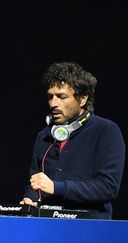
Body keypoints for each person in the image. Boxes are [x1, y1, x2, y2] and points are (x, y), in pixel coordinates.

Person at [20, 62, 125, 219]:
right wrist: (31, 199)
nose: (53, 103)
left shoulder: (106, 131)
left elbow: (108, 187)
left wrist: (57, 187)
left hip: (89, 229)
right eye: (50, 97)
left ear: (82, 99)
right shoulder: (44, 136)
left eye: (62, 97)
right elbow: (35, 183)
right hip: (47, 227)